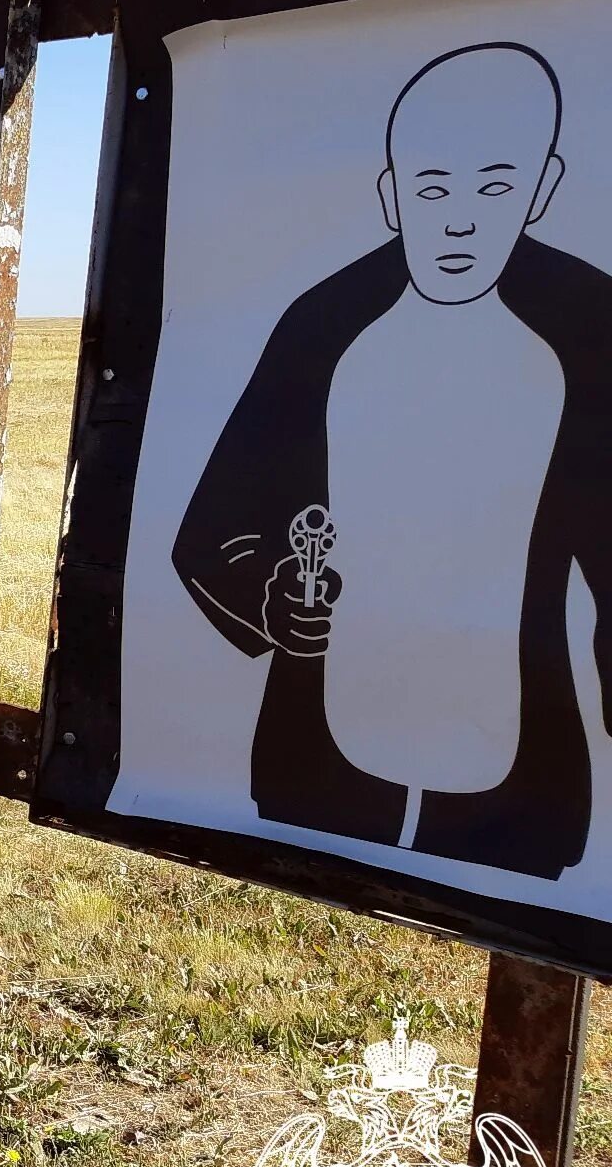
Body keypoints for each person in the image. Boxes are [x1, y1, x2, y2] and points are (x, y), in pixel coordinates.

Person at [174, 43, 612, 877]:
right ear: (391, 192)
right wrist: (274, 603)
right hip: (322, 752)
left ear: (544, 187)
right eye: (433, 188)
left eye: (494, 187)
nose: (458, 220)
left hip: (522, 763)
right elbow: (219, 524)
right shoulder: (324, 323)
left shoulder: (590, 327)